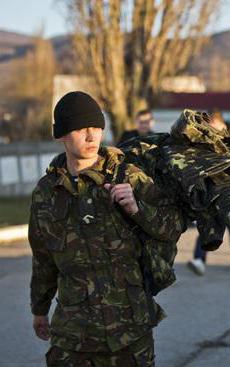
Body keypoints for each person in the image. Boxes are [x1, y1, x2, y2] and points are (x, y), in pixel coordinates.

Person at [29, 91, 184, 366]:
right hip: (73, 335)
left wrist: (138, 209)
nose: (91, 137)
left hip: (129, 331)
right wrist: (39, 309)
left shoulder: (129, 176)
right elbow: (43, 258)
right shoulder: (46, 193)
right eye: (81, 129)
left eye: (96, 128)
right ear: (62, 134)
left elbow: (172, 227)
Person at [187, 112, 230, 275]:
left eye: (212, 124)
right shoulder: (206, 141)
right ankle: (199, 260)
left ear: (220, 123)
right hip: (211, 192)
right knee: (207, 225)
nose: (209, 128)